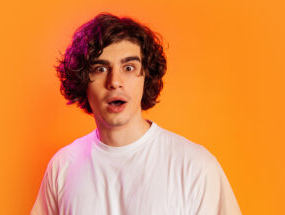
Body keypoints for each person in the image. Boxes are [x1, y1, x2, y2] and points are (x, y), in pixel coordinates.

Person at [31, 13, 242, 215]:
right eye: (100, 69)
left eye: (129, 68)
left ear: (145, 78)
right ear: (83, 81)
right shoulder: (63, 166)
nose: (114, 81)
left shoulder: (195, 166)